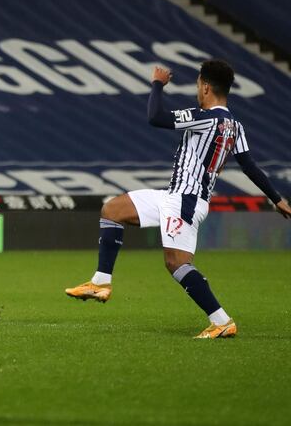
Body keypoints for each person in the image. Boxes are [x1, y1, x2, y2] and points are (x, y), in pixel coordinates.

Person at [65, 61, 291, 338]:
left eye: (198, 85)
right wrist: (276, 198)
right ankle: (101, 283)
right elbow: (250, 166)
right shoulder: (235, 126)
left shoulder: (205, 117)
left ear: (206, 87)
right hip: (173, 195)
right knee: (112, 209)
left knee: (176, 263)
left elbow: (156, 117)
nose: (198, 90)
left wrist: (158, 83)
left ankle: (221, 321)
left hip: (186, 201)